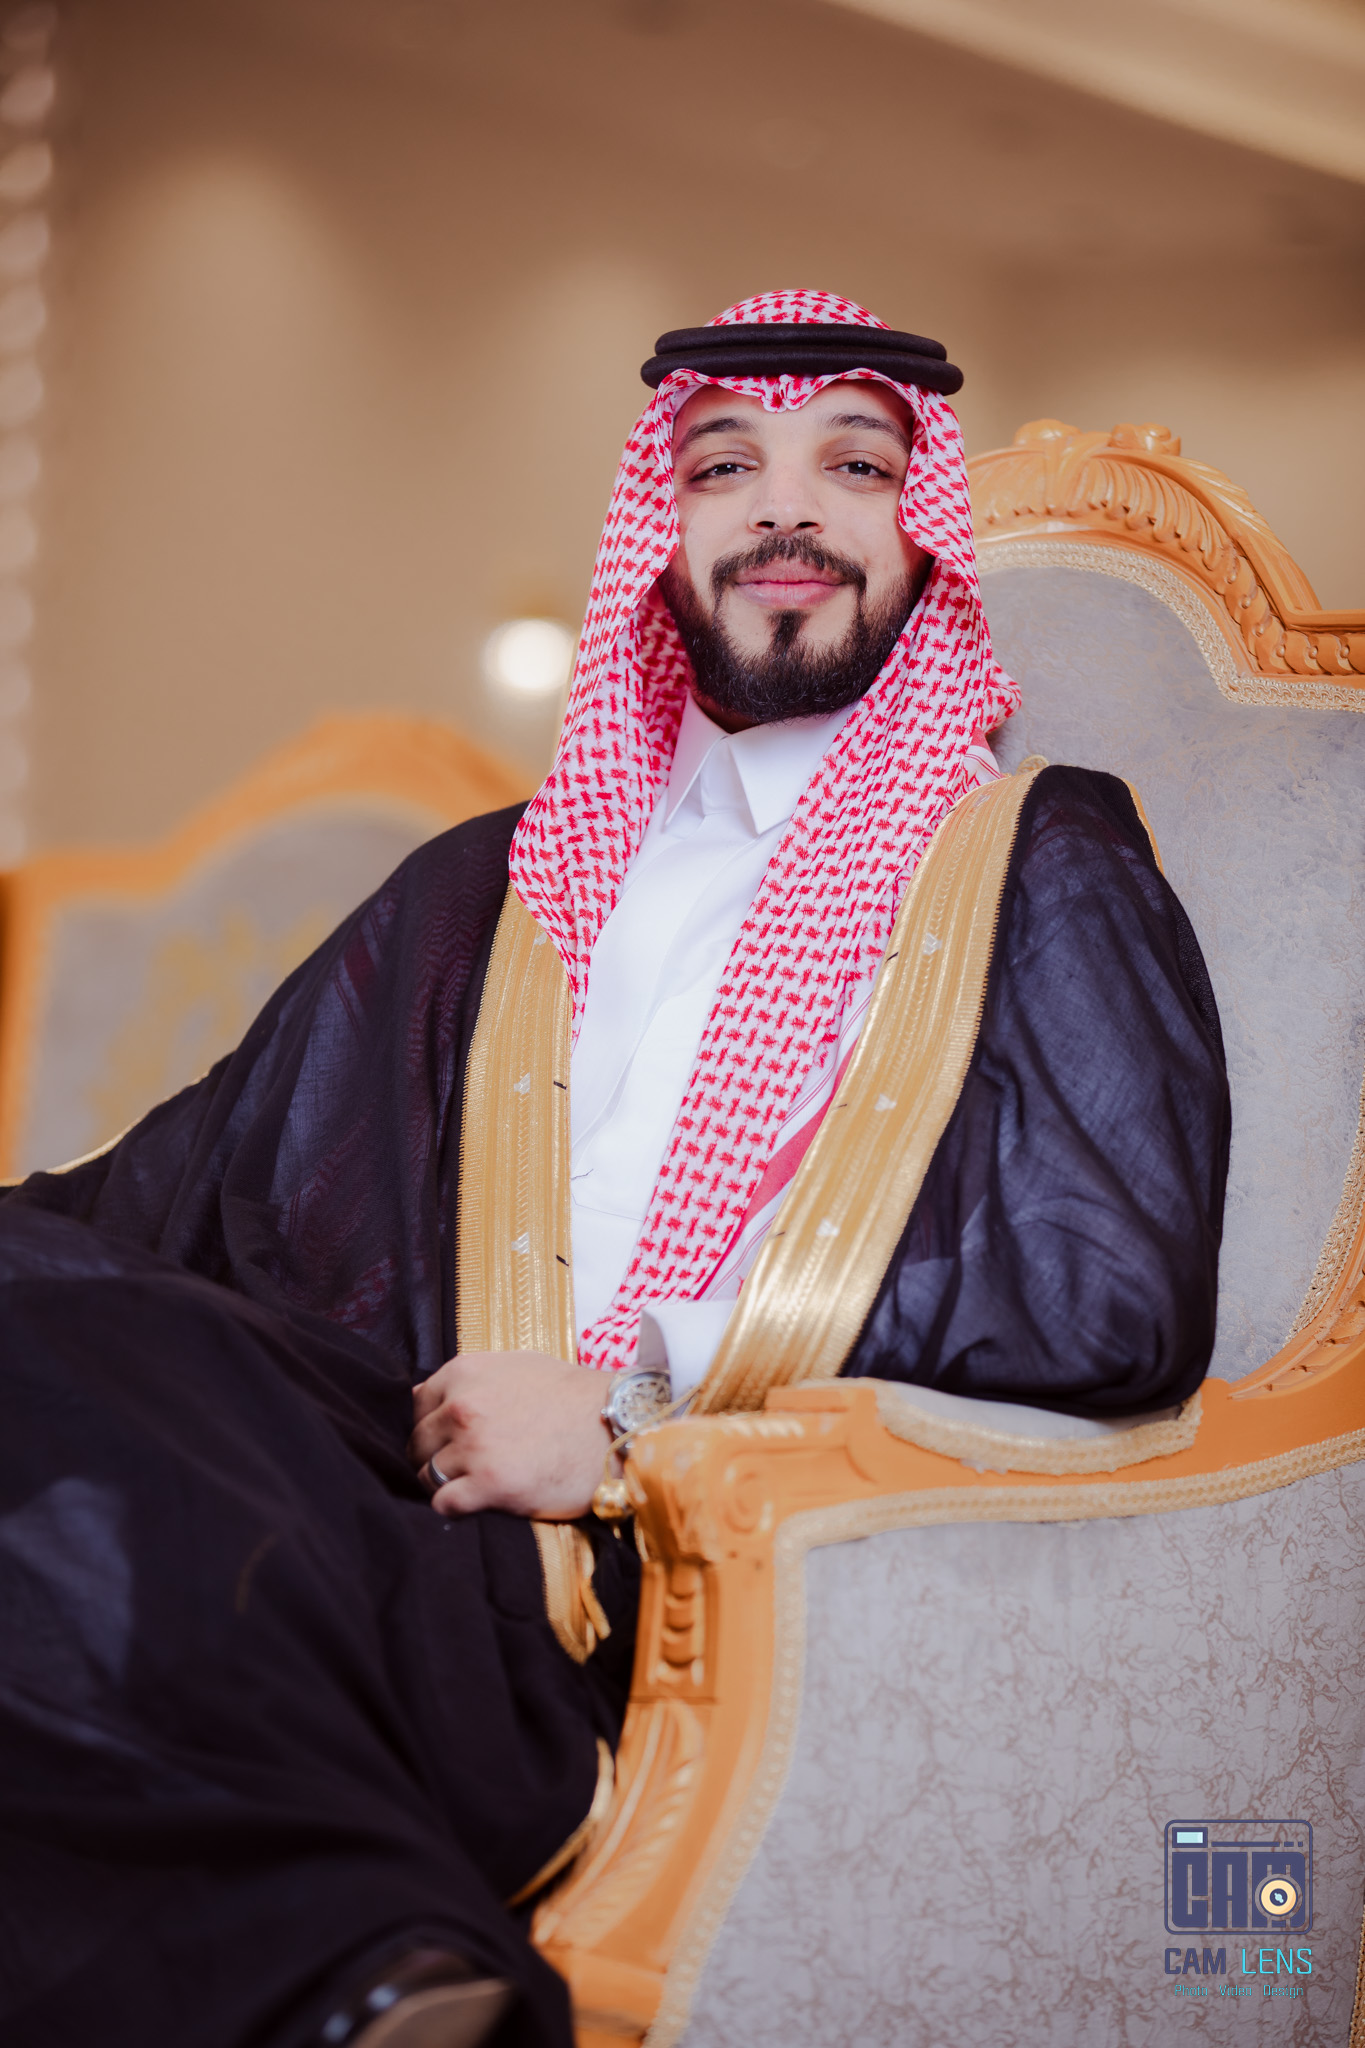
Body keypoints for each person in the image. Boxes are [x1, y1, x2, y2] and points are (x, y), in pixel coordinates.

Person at [0, 291, 1230, 2048]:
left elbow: (1100, 1290)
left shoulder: (1031, 860)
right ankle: (377, 1972)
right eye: (724, 467)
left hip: (621, 1559)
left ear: (923, 537)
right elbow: (159, 1200)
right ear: (661, 532)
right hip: (356, 1457)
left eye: (854, 467)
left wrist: (631, 1404)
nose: (784, 506)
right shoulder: (487, 884)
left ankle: (370, 1974)